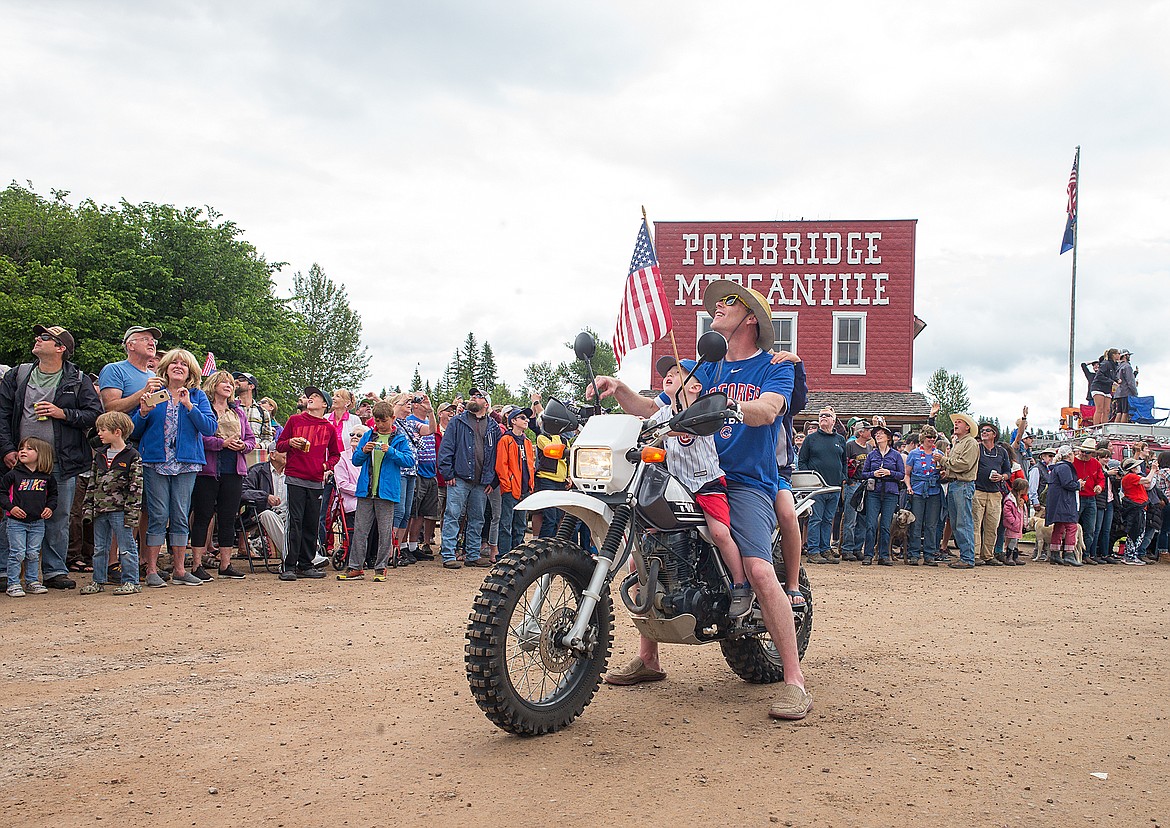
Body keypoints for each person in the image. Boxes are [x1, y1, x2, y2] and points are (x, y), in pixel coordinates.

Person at [589, 279, 811, 722]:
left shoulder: (775, 366)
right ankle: (649, 658)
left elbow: (768, 410)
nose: (718, 307)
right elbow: (658, 406)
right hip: (692, 471)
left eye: (729, 302)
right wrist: (620, 389)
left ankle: (794, 682)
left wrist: (729, 405)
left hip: (745, 480)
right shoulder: (704, 365)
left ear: (752, 318)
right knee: (645, 549)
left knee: (759, 569)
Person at [647, 357, 753, 616]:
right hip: (675, 486)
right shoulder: (662, 413)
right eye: (668, 373)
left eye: (678, 373)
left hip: (706, 484)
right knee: (650, 530)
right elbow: (647, 427)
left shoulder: (704, 408)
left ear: (695, 387)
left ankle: (741, 584)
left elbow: (690, 425)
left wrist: (663, 430)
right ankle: (653, 583)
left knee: (719, 532)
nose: (669, 375)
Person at [0, 324, 102, 589]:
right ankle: (4, 572)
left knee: (58, 515)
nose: (37, 338)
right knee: (11, 515)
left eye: (45, 337)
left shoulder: (78, 379)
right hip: (21, 461)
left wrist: (62, 413)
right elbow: (1, 415)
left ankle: (55, 571)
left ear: (60, 348)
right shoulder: (18, 374)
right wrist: (8, 450)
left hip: (62, 460)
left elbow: (94, 415)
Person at [132, 348, 218, 587]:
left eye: (184, 364)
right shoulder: (153, 393)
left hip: (186, 462)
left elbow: (210, 428)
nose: (178, 366)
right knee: (157, 515)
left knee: (180, 515)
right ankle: (151, 569)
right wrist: (142, 412)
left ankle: (180, 570)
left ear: (191, 371)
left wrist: (189, 406)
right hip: (155, 461)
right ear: (166, 368)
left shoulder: (197, 395)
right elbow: (134, 430)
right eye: (174, 363)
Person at [189, 371, 256, 581]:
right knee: (203, 516)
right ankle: (197, 564)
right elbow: (198, 437)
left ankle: (226, 564)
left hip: (233, 470)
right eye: (223, 382)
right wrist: (222, 443)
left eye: (230, 383)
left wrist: (243, 446)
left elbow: (251, 439)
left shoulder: (239, 412)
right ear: (213, 385)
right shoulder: (204, 409)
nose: (228, 385)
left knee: (229, 517)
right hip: (207, 471)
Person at [339, 401, 414, 581]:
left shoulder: (400, 438)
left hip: (387, 493)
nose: (380, 425)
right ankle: (355, 567)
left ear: (392, 419)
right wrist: (363, 451)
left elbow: (409, 461)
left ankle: (381, 568)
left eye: (383, 421)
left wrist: (391, 451)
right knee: (360, 530)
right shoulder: (368, 436)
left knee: (385, 531)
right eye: (377, 421)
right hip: (365, 491)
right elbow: (356, 461)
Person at [275, 387, 342, 581]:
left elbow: (336, 454)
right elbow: (279, 444)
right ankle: (288, 565)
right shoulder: (294, 420)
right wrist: (290, 443)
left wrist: (326, 466)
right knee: (295, 521)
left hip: (316, 480)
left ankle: (306, 564)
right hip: (295, 477)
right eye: (310, 396)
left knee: (311, 522)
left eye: (316, 397)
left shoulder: (328, 428)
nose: (311, 398)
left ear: (325, 405)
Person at [80, 412, 142, 595]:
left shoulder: (132, 456)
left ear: (117, 432)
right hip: (100, 510)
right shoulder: (99, 456)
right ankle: (98, 581)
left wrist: (132, 512)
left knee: (127, 547)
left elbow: (136, 487)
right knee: (100, 548)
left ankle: (131, 581)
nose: (99, 433)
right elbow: (92, 484)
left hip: (120, 511)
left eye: (103, 430)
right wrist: (87, 508)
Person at [436, 388, 499, 569]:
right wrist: (447, 474)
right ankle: (448, 555)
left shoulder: (493, 426)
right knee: (452, 516)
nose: (473, 398)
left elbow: (497, 455)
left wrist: (493, 480)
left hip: (482, 482)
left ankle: (472, 555)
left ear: (486, 404)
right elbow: (446, 448)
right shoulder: (457, 421)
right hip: (459, 478)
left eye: (478, 396)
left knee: (477, 518)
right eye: (472, 395)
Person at [2, 437, 58, 597]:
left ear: (42, 454)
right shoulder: (13, 475)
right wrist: (11, 508)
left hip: (38, 522)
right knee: (17, 553)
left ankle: (32, 581)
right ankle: (13, 583)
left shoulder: (47, 478)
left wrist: (49, 507)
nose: (22, 451)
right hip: (16, 522)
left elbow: (53, 495)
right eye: (21, 448)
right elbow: (2, 494)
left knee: (33, 553)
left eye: (29, 449)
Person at [799, 406, 846, 566]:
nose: (823, 417)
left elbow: (844, 460)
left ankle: (825, 548)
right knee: (816, 519)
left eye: (827, 415)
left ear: (834, 420)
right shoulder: (810, 439)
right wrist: (809, 479)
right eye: (820, 416)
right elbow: (802, 461)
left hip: (834, 487)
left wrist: (843, 477)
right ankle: (813, 551)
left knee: (828, 519)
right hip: (817, 487)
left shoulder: (840, 440)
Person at [937, 412, 979, 569]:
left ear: (967, 427)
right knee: (956, 522)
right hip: (956, 484)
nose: (956, 424)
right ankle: (965, 556)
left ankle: (968, 558)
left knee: (963, 521)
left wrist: (943, 460)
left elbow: (964, 465)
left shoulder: (970, 443)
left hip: (963, 485)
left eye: (960, 422)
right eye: (956, 422)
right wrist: (947, 471)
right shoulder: (959, 443)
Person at [860, 423, 904, 566]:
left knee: (885, 525)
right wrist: (874, 473)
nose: (878, 436)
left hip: (891, 493)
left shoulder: (896, 455)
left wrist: (889, 472)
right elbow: (864, 474)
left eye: (881, 434)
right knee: (871, 524)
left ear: (888, 438)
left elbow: (902, 474)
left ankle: (884, 555)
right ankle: (868, 555)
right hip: (874, 492)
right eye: (876, 434)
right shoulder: (872, 455)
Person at [494, 406, 535, 558]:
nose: (526, 420)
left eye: (527, 418)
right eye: (523, 418)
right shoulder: (506, 440)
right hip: (511, 490)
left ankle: (516, 556)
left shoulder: (527, 442)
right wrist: (508, 485)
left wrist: (531, 485)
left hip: (524, 490)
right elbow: (501, 465)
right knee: (506, 524)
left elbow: (530, 465)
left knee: (520, 525)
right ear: (513, 421)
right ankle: (504, 555)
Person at [97, 326, 165, 414]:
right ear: (131, 345)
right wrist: (144, 392)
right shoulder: (114, 370)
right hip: (124, 427)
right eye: (145, 339)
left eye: (153, 341)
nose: (152, 344)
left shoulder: (153, 376)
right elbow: (110, 408)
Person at [405, 395, 440, 560]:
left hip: (430, 472)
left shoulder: (428, 421)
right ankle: (403, 546)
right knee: (411, 511)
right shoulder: (410, 421)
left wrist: (431, 412)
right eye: (421, 401)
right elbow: (429, 431)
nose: (425, 403)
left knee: (422, 512)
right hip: (417, 471)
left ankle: (413, 546)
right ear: (414, 405)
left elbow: (433, 429)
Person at [972, 423, 1011, 566]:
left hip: (995, 493)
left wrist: (1002, 477)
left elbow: (1008, 471)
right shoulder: (976, 448)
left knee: (992, 526)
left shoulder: (1001, 452)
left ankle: (988, 555)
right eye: (982, 431)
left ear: (994, 434)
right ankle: (975, 555)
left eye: (988, 430)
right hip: (978, 490)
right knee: (976, 525)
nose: (984, 432)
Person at [905, 424, 944, 565]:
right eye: (929, 437)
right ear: (923, 438)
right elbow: (907, 474)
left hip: (934, 490)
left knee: (932, 524)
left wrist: (943, 472)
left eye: (934, 437)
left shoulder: (939, 454)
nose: (932, 439)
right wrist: (909, 487)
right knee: (916, 522)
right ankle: (914, 553)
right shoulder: (914, 454)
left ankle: (929, 554)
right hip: (917, 490)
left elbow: (944, 471)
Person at [242, 449, 288, 561]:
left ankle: (311, 555)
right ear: (272, 454)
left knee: (304, 514)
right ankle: (291, 556)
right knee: (268, 514)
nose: (288, 454)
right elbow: (242, 491)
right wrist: (265, 497)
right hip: (262, 512)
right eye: (284, 451)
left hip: (286, 513)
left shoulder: (292, 473)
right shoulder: (257, 471)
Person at [1041, 446, 1082, 566]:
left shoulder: (1058, 467)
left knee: (1059, 527)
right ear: (1068, 455)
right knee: (1071, 526)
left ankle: (1055, 553)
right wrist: (1078, 484)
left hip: (1057, 501)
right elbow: (1067, 483)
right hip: (1065, 501)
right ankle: (1069, 553)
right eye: (1073, 453)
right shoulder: (1065, 467)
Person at [839, 419, 873, 562]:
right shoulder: (850, 446)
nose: (870, 432)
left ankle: (857, 548)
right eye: (868, 429)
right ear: (861, 432)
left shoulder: (870, 448)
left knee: (863, 519)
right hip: (853, 484)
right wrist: (847, 480)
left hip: (865, 485)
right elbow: (844, 464)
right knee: (850, 518)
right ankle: (847, 548)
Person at [1119, 456, 1158, 565]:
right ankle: (1130, 556)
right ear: (1132, 468)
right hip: (1135, 506)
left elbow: (1148, 484)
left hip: (1139, 506)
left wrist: (1153, 472)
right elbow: (1147, 480)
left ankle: (1132, 554)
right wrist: (1153, 470)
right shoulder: (1130, 476)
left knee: (1139, 531)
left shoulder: (1133, 477)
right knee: (1135, 531)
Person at [1071, 437, 1104, 565]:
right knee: (1072, 526)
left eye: (1087, 452)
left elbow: (1101, 479)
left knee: (1090, 529)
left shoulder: (1095, 463)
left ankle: (1085, 554)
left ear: (1092, 453)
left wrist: (1099, 486)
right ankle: (1071, 552)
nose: (1084, 454)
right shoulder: (1073, 462)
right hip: (1077, 496)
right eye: (1083, 451)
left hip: (1091, 498)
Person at [233, 372, 273, 467]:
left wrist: (259, 445)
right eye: (236, 379)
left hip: (255, 458)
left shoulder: (262, 412)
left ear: (251, 386)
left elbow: (268, 438)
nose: (237, 381)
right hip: (234, 454)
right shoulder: (229, 407)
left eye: (242, 379)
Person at [1002, 477, 1028, 566]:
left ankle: (1014, 556)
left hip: (1017, 525)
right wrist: (1013, 521)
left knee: (1016, 541)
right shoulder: (1010, 500)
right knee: (1012, 540)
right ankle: (1008, 556)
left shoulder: (1019, 500)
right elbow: (1007, 512)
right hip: (1013, 525)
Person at [1090, 349, 1120, 426]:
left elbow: (1112, 376)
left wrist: (1117, 380)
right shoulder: (1105, 364)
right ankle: (1095, 427)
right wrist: (1112, 382)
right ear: (1113, 355)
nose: (1119, 355)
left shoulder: (1115, 365)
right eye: (1118, 353)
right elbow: (1100, 375)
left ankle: (1104, 428)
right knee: (1099, 408)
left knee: (1107, 410)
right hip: (1098, 388)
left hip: (1107, 389)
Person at [1113, 349, 1138, 423]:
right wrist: (1135, 393)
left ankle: (1116, 430)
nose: (1129, 357)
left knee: (1119, 412)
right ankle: (1121, 430)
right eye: (1128, 355)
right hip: (1126, 392)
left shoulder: (1118, 367)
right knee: (1125, 412)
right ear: (1124, 356)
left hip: (1118, 393)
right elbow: (1130, 382)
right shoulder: (1127, 366)